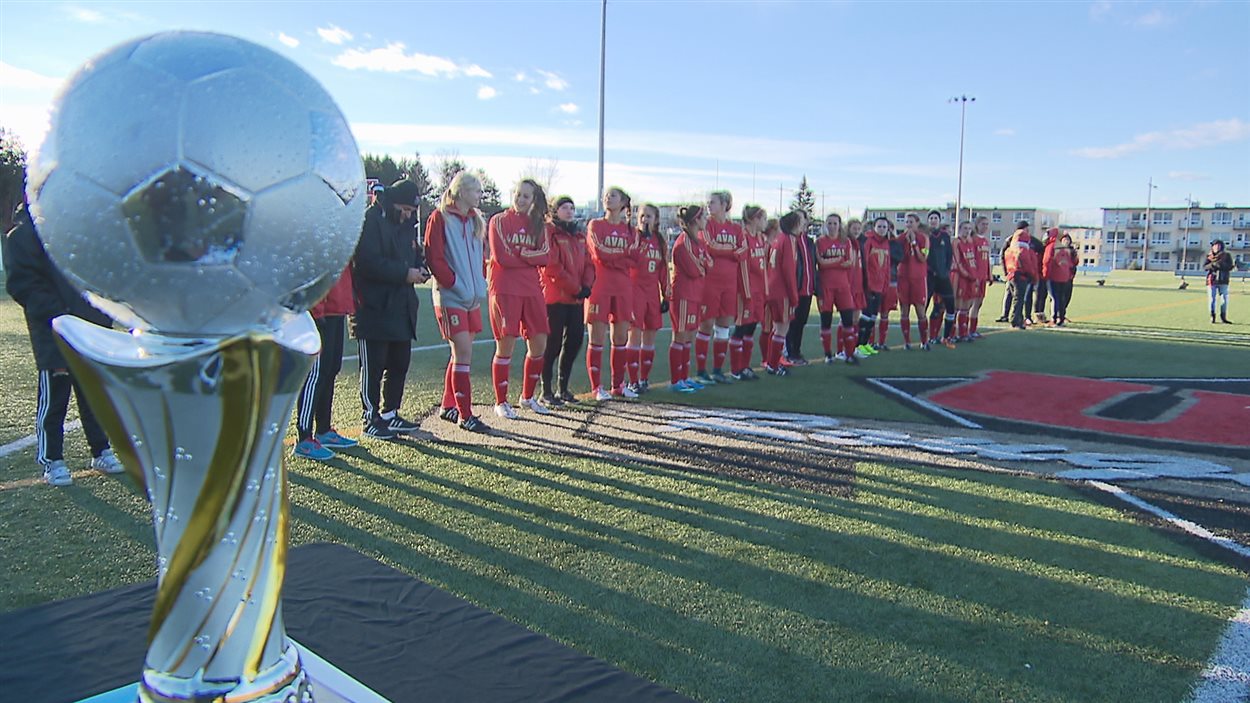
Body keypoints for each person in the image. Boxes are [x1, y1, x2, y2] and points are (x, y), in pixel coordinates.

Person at [4, 203, 124, 486]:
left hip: (88, 329)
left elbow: (96, 274)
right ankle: (52, 459)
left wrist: (100, 315)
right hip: (52, 329)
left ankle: (100, 450)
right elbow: (24, 284)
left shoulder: (73, 230)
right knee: (55, 396)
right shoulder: (21, 236)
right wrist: (60, 314)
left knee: (94, 394)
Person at [351, 178, 428, 440]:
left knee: (399, 363)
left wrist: (419, 268)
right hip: (373, 306)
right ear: (393, 203)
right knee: (373, 367)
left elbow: (412, 254)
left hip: (402, 306)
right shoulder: (370, 220)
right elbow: (366, 262)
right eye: (404, 209)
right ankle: (370, 417)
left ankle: (390, 413)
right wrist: (403, 273)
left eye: (410, 211)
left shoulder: (407, 225)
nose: (407, 215)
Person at [426, 171, 490, 433]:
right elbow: (434, 257)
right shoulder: (439, 217)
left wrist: (479, 282)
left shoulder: (476, 220)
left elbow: (481, 256)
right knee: (463, 353)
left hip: (472, 297)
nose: (480, 196)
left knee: (459, 354)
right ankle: (466, 415)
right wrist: (456, 283)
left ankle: (448, 406)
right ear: (462, 192)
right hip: (451, 296)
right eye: (476, 191)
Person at [487, 179, 552, 418]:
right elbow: (502, 257)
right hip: (505, 289)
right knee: (506, 344)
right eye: (518, 194)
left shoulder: (539, 226)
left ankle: (527, 398)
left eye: (526, 196)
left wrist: (524, 256)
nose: (521, 199)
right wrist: (529, 257)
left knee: (539, 345)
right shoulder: (499, 221)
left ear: (534, 200)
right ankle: (501, 402)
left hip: (532, 290)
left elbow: (546, 256)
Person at [293, 264, 359, 460]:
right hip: (320, 311)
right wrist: (316, 308)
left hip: (336, 308)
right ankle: (304, 437)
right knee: (316, 374)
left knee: (331, 369)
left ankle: (323, 429)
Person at [540, 195, 593, 405]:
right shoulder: (550, 232)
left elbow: (589, 262)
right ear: (555, 211)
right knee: (551, 345)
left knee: (575, 341)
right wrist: (575, 287)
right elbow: (552, 266)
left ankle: (563, 388)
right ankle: (546, 390)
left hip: (576, 300)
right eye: (564, 207)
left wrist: (586, 286)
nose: (569, 211)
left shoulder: (578, 234)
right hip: (555, 298)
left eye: (572, 207)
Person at [585, 187, 637, 399]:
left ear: (623, 202)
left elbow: (634, 258)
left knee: (620, 338)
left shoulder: (631, 231)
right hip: (600, 285)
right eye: (606, 195)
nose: (607, 198)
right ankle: (597, 387)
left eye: (613, 196)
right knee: (596, 338)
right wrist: (619, 256)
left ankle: (619, 385)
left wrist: (612, 256)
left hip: (623, 287)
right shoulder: (595, 225)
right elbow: (598, 253)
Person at [695, 191, 746, 384]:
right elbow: (710, 246)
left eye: (713, 202)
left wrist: (726, 252)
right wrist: (731, 252)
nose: (709, 206)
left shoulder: (736, 228)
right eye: (708, 202)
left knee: (724, 325)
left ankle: (718, 369)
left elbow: (744, 250)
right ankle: (701, 371)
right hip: (710, 282)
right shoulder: (706, 225)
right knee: (706, 324)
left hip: (730, 283)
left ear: (725, 205)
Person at [628, 203, 670, 392]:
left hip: (652, 292)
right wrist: (639, 240)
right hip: (635, 291)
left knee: (650, 337)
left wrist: (666, 295)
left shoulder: (660, 241)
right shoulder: (633, 236)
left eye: (649, 216)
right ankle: (632, 380)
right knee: (634, 335)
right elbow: (630, 261)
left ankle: (644, 378)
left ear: (656, 219)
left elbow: (663, 272)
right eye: (642, 216)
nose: (645, 220)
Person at [669, 205, 712, 391]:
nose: (706, 220)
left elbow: (710, 263)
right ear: (695, 220)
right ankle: (676, 381)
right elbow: (696, 270)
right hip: (684, 295)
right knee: (680, 335)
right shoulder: (683, 241)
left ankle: (684, 378)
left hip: (696, 294)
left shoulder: (699, 241)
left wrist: (704, 266)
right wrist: (703, 266)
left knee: (689, 337)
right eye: (704, 217)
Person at [814, 214, 860, 365]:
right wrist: (838, 261)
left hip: (843, 286)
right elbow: (820, 263)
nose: (832, 226)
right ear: (825, 224)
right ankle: (828, 354)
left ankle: (849, 354)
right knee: (825, 321)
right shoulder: (820, 242)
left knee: (848, 321)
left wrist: (829, 262)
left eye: (835, 223)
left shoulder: (845, 241)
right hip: (825, 287)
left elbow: (849, 263)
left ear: (840, 225)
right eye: (829, 223)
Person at [731, 205, 769, 380]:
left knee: (751, 329)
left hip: (759, 292)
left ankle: (745, 366)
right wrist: (746, 292)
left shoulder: (761, 238)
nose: (765, 223)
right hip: (746, 292)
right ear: (754, 219)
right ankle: (736, 369)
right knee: (741, 328)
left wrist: (765, 290)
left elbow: (764, 268)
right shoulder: (744, 237)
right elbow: (743, 267)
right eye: (763, 219)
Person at [764, 213, 802, 376]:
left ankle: (772, 362)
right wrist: (794, 296)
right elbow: (788, 271)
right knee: (781, 328)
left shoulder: (779, 238)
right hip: (781, 291)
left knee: (777, 328)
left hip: (773, 289)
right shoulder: (788, 240)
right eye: (801, 222)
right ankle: (773, 364)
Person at [784, 210, 816, 365]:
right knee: (791, 322)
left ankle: (796, 351)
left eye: (804, 218)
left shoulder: (809, 241)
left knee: (801, 322)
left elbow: (812, 263)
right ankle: (788, 352)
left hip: (808, 289)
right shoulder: (788, 239)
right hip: (795, 288)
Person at [858, 217, 893, 351]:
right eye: (879, 226)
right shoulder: (868, 241)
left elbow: (887, 266)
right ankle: (858, 345)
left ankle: (865, 344)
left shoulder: (886, 243)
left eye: (884, 227)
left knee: (873, 317)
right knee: (866, 316)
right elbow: (864, 263)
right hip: (869, 286)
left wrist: (886, 284)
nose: (882, 229)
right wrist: (865, 284)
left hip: (880, 286)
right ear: (874, 227)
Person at [897, 213, 930, 350]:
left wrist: (914, 243)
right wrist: (906, 242)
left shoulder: (924, 238)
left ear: (917, 223)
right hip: (903, 277)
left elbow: (923, 257)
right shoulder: (900, 238)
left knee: (920, 310)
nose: (909, 224)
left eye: (911, 222)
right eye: (907, 222)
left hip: (918, 278)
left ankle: (924, 341)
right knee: (904, 310)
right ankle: (907, 342)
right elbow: (897, 257)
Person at [925, 210, 957, 348]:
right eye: (931, 218)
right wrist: (931, 271)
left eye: (935, 218)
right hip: (929, 277)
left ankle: (946, 337)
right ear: (928, 221)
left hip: (943, 277)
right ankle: (927, 338)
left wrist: (946, 270)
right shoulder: (925, 236)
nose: (933, 220)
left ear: (939, 220)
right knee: (925, 308)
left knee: (950, 306)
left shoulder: (945, 236)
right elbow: (923, 256)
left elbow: (949, 255)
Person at [1003, 223, 1040, 329]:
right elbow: (1029, 265)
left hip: (1011, 275)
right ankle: (1015, 320)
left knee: (1015, 298)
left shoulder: (1009, 250)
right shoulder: (1024, 250)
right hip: (1022, 276)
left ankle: (1017, 317)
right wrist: (1034, 277)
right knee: (1019, 299)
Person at [951, 220, 979, 341]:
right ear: (960, 229)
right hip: (961, 277)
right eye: (965, 228)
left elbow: (973, 260)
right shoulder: (956, 242)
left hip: (971, 277)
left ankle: (963, 333)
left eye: (969, 228)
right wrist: (966, 274)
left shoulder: (971, 242)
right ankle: (952, 334)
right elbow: (957, 261)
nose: (967, 231)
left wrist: (975, 275)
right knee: (957, 305)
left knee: (967, 306)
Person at [1042, 232, 1078, 326]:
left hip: (1054, 275)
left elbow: (1047, 261)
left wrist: (1045, 274)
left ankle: (1054, 319)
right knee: (1061, 298)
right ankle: (1060, 318)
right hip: (1065, 276)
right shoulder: (1067, 250)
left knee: (1054, 297)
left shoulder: (1052, 247)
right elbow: (1072, 263)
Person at [968, 215, 993, 338]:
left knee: (979, 303)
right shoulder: (973, 240)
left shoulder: (985, 241)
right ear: (977, 225)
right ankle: (966, 329)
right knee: (970, 303)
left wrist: (989, 274)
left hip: (983, 276)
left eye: (987, 224)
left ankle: (973, 329)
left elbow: (987, 259)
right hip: (974, 277)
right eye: (983, 224)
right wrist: (974, 275)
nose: (985, 227)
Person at [1205, 239, 1235, 324]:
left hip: (1223, 280)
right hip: (1212, 280)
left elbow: (1230, 266)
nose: (1217, 247)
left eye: (1218, 245)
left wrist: (1222, 265)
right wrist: (1213, 265)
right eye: (1215, 245)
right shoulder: (1209, 256)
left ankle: (1223, 317)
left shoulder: (1226, 255)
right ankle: (1212, 316)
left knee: (1224, 299)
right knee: (1212, 299)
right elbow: (1205, 266)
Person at [1034, 227, 1059, 322]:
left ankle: (1042, 315)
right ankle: (1040, 315)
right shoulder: (1049, 246)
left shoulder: (1050, 246)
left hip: (1045, 274)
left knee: (1043, 295)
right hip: (1044, 274)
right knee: (1042, 295)